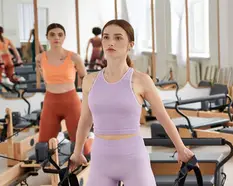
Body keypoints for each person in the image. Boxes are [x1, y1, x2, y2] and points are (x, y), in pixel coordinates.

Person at [69, 19, 195, 185]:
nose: (110, 42)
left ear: (130, 44)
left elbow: (163, 117)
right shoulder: (90, 81)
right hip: (100, 159)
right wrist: (77, 152)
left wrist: (181, 148)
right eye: (106, 37)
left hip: (133, 159)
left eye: (118, 38)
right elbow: (85, 119)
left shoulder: (141, 80)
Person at [36, 23, 92, 155]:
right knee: (42, 148)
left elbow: (85, 79)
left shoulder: (74, 57)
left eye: (60, 35)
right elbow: (45, 79)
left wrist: (88, 101)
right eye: (52, 34)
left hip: (71, 102)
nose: (56, 37)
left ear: (64, 37)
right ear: (47, 37)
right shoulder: (39, 58)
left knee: (82, 147)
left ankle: (92, 140)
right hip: (50, 102)